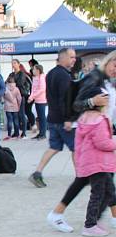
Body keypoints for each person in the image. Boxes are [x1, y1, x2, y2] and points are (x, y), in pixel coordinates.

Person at [45, 52, 116, 232]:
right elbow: (76, 105)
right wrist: (93, 101)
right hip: (91, 129)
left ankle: (96, 218)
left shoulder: (110, 81)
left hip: (103, 129)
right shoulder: (94, 78)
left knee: (103, 178)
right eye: (114, 65)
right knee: (92, 177)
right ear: (107, 63)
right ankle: (79, 219)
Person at [29, 48, 83, 188]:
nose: (74, 60)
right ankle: (80, 177)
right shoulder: (64, 76)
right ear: (63, 58)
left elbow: (51, 96)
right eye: (71, 57)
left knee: (54, 147)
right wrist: (68, 119)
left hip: (52, 117)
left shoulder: (51, 73)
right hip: (63, 119)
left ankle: (37, 172)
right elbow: (65, 99)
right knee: (75, 148)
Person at [74, 91, 116, 237]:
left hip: (94, 162)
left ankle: (96, 220)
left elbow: (78, 144)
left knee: (109, 191)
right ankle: (89, 225)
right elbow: (103, 143)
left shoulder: (85, 119)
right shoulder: (99, 120)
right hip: (98, 163)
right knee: (98, 193)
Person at [11, 59, 32, 138]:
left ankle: (24, 132)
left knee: (21, 114)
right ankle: (16, 132)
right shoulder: (11, 74)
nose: (13, 65)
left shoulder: (22, 74)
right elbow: (7, 83)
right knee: (14, 114)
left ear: (19, 64)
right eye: (12, 63)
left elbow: (19, 83)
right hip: (12, 97)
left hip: (21, 95)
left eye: (15, 63)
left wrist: (12, 83)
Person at [28, 64, 47, 140]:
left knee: (42, 117)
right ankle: (40, 133)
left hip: (42, 100)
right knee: (39, 117)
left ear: (38, 70)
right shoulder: (35, 78)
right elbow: (33, 89)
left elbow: (42, 89)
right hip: (36, 100)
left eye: (34, 69)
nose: (33, 71)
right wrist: (31, 97)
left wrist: (32, 97)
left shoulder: (42, 77)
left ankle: (43, 134)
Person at [3, 74, 23, 140]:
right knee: (16, 121)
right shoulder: (16, 89)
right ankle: (17, 134)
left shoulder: (5, 89)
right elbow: (19, 98)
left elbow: (2, 98)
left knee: (9, 121)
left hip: (7, 107)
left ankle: (9, 135)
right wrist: (19, 105)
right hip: (15, 106)